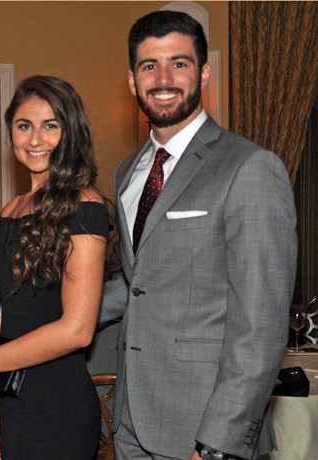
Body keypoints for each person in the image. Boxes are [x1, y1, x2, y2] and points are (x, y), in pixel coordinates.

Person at [99, 10, 297, 460]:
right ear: (132, 80)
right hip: (132, 418)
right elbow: (139, 286)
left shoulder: (250, 167)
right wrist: (47, 316)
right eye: (150, 66)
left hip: (203, 430)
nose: (163, 78)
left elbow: (261, 325)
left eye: (179, 63)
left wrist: (218, 446)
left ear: (204, 73)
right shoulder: (127, 172)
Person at [0, 75, 107, 459]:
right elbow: (5, 307)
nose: (36, 139)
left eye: (50, 126)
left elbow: (77, 330)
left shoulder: (86, 205)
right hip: (11, 397)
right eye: (24, 126)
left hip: (58, 400)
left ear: (70, 133)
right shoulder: (12, 207)